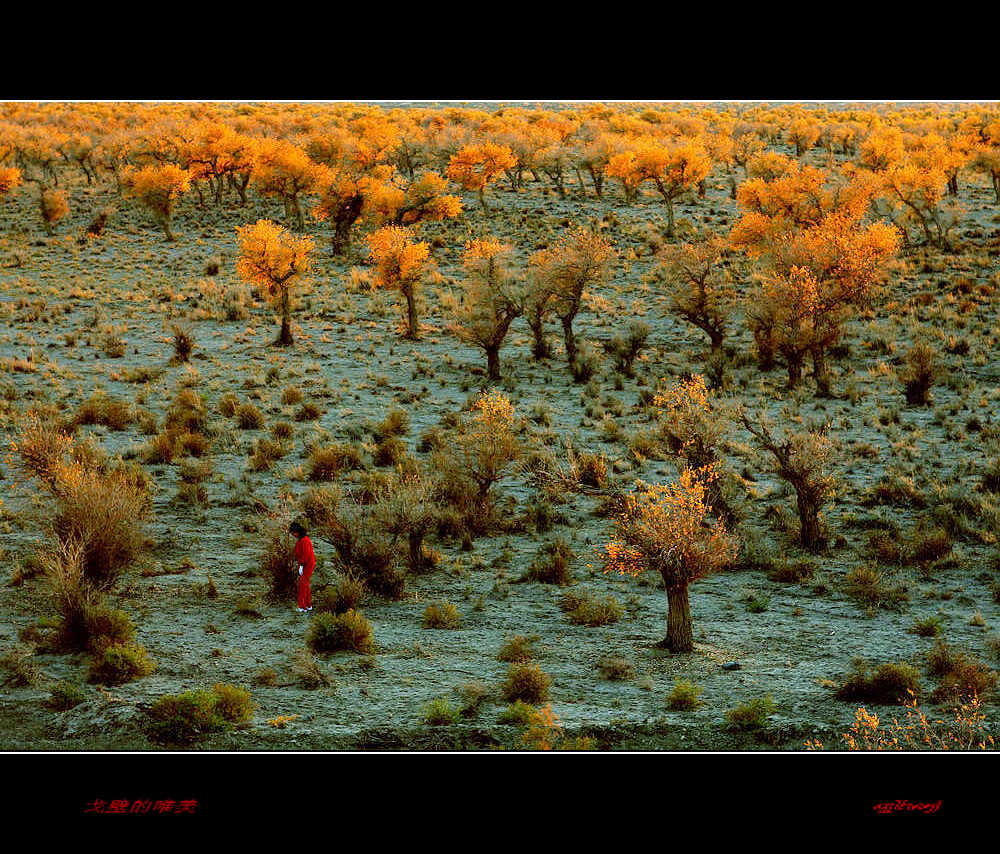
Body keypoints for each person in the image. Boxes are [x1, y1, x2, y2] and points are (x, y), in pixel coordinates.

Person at [289, 521, 315, 613]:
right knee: (306, 585)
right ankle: (308, 605)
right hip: (305, 564)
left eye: (293, 533)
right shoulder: (302, 540)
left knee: (302, 585)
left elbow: (306, 555)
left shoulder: (305, 540)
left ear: (297, 532)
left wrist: (302, 566)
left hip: (307, 564)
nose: (293, 535)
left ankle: (302, 606)